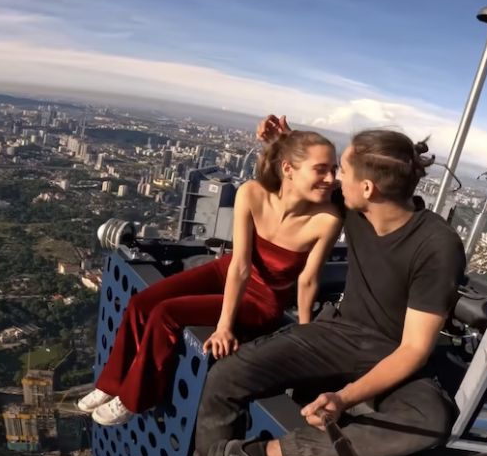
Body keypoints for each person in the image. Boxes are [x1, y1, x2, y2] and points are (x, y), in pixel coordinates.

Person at [129, 116, 466, 456]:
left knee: (427, 421)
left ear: (367, 189)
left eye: (343, 171)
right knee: (229, 375)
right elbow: (292, 187)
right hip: (341, 334)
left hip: (394, 356)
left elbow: (414, 349)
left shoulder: (437, 246)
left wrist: (344, 398)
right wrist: (280, 145)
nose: (334, 180)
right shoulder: (354, 206)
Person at [77, 130, 342, 426]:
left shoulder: (327, 219)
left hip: (264, 299)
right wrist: (224, 325)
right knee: (143, 302)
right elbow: (240, 264)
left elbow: (308, 280)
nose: (331, 179)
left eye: (334, 169)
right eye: (322, 169)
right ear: (288, 169)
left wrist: (303, 336)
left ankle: (135, 398)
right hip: (229, 271)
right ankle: (110, 383)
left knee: (166, 313)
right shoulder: (252, 192)